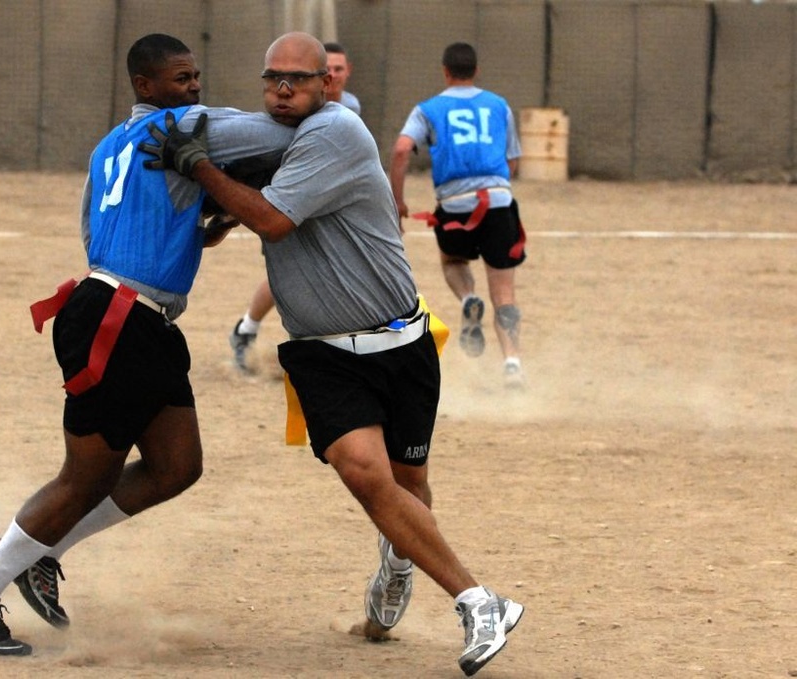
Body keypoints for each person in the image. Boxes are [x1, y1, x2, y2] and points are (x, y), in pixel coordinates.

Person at [142, 32, 523, 677]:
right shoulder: (286, 136)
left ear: (328, 85)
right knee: (364, 473)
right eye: (273, 79)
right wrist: (220, 211)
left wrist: (199, 166)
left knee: (409, 485)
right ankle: (480, 602)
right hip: (322, 353)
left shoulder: (339, 130)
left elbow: (274, 220)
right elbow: (257, 194)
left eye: (298, 79)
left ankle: (399, 560)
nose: (283, 89)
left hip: (401, 340)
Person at [0, 33, 294, 656]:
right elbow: (282, 136)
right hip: (120, 319)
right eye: (180, 79)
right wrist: (326, 109)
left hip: (124, 311)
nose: (194, 88)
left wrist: (197, 219)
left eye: (195, 76)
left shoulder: (106, 148)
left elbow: (98, 231)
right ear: (145, 87)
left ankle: (39, 555)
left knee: (177, 467)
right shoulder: (189, 125)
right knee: (85, 478)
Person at [388, 42, 527, 389]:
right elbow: (512, 161)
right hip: (496, 202)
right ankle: (512, 364)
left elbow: (402, 149)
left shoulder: (428, 109)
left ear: (445, 71)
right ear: (476, 70)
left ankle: (468, 299)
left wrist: (398, 201)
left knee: (453, 262)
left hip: (454, 204)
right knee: (505, 293)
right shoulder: (499, 106)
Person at [228, 41, 361, 373]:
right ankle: (246, 329)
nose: (335, 74)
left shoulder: (350, 108)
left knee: (330, 272)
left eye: (339, 68)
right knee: (286, 276)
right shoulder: (289, 110)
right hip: (292, 196)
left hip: (328, 199)